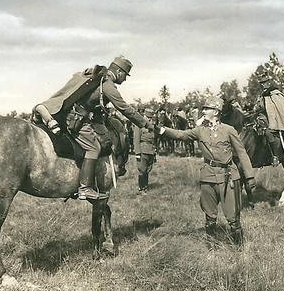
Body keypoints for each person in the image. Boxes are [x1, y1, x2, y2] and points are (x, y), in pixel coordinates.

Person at [34, 56, 154, 200]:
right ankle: (85, 187)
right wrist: (145, 124)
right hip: (76, 119)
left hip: (68, 113)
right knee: (94, 148)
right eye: (125, 76)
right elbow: (124, 108)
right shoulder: (108, 85)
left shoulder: (97, 76)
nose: (125, 80)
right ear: (120, 72)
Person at [157, 96, 256, 247]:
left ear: (216, 112)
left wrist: (249, 177)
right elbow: (181, 135)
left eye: (207, 108)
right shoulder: (199, 131)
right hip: (208, 176)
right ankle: (211, 248)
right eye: (203, 108)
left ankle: (239, 251)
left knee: (233, 218)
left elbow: (241, 153)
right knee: (209, 216)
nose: (203, 111)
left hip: (228, 177)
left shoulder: (229, 130)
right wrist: (161, 130)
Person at [254, 65, 284, 167]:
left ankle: (275, 156)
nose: (263, 85)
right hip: (261, 119)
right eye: (261, 83)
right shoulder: (262, 95)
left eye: (264, 83)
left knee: (267, 133)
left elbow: (281, 108)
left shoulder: (275, 94)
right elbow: (257, 107)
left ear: (269, 82)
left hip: (272, 120)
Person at [133, 108, 156, 195]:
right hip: (142, 150)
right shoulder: (139, 125)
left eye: (150, 118)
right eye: (147, 118)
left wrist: (154, 151)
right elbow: (136, 139)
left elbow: (153, 139)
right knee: (142, 170)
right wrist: (137, 153)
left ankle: (145, 186)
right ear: (144, 116)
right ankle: (141, 188)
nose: (149, 120)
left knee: (148, 169)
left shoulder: (151, 125)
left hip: (150, 150)